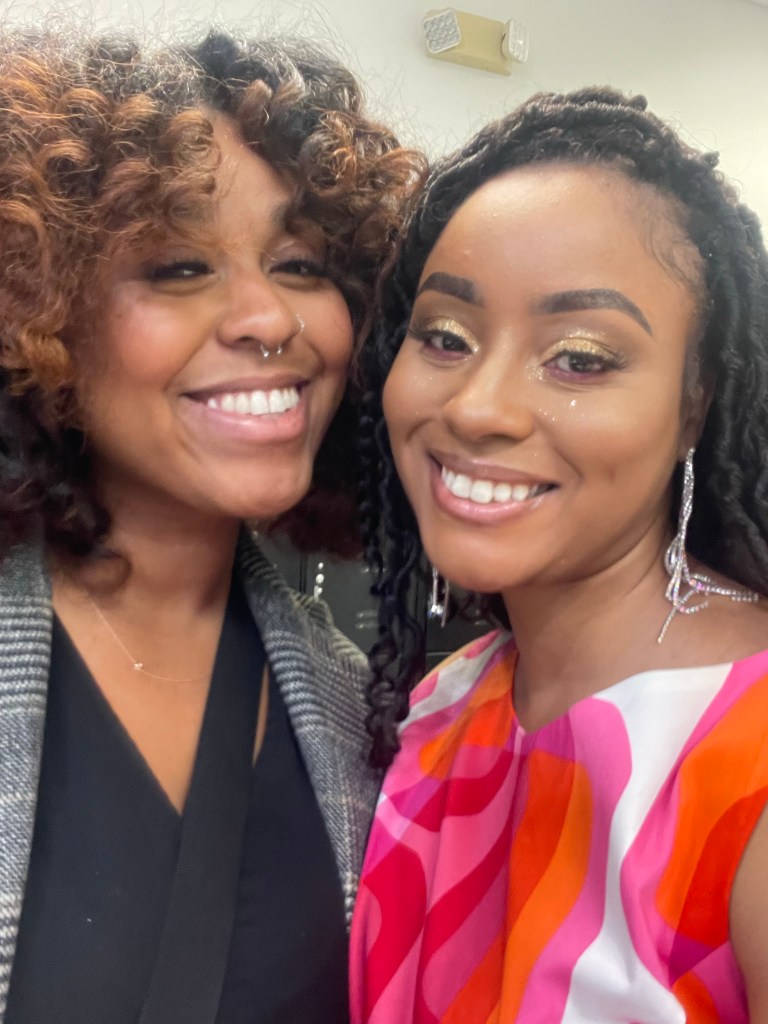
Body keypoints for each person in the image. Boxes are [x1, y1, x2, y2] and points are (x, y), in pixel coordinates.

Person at [0, 26, 420, 1024]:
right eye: (181, 265)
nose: (267, 318)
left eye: (302, 264)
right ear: (40, 315)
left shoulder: (366, 711)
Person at [351, 88, 768, 1023]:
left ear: (694, 404)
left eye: (579, 357)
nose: (477, 408)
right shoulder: (446, 705)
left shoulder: (750, 754)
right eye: (445, 337)